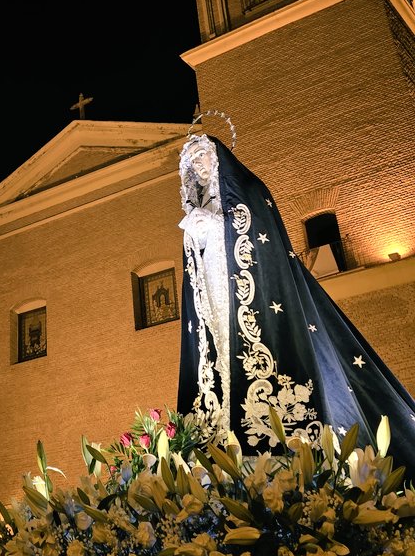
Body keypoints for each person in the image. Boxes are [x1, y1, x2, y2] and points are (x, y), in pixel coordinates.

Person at [177, 123, 415, 477]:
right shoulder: (198, 205)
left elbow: (259, 239)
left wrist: (214, 225)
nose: (199, 165)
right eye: (192, 161)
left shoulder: (249, 191)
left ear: (218, 157)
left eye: (203, 156)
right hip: (212, 295)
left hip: (247, 292)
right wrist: (195, 234)